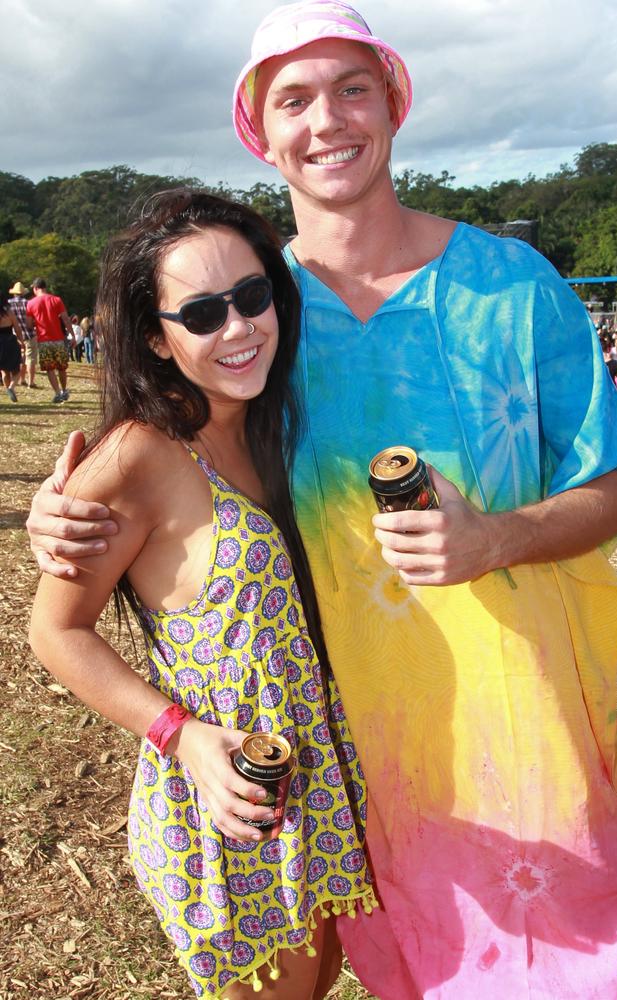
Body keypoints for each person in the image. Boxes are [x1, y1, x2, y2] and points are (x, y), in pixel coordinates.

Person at [25, 2, 617, 996]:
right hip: (354, 776)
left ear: (394, 103)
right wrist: (61, 514)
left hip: (530, 750)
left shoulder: (510, 285)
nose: (327, 120)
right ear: (260, 134)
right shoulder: (257, 319)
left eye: (353, 86)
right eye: (294, 99)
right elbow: (166, 456)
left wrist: (490, 537)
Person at [29, 190, 375, 999]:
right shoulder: (139, 456)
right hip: (230, 802)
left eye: (253, 297)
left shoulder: (277, 419)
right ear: (156, 336)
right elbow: (56, 631)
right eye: (203, 312)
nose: (239, 327)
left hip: (320, 780)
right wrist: (179, 737)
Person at [25, 276, 73, 403]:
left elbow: (29, 324)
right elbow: (66, 319)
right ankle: (64, 390)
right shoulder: (56, 300)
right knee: (62, 367)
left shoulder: (31, 303)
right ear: (45, 287)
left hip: (43, 339)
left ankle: (57, 393)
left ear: (35, 288)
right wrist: (72, 335)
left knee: (49, 368)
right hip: (58, 338)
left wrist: (37, 323)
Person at [8, 281, 37, 387]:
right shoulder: (28, 303)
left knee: (20, 358)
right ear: (23, 293)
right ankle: (30, 382)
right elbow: (34, 319)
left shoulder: (8, 304)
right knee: (30, 359)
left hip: (14, 335)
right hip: (29, 334)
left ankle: (21, 379)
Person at [0, 289, 25, 401]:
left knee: (4, 370)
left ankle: (8, 390)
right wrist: (21, 341)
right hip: (9, 341)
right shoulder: (9, 311)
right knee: (17, 369)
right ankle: (11, 387)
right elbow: (17, 328)